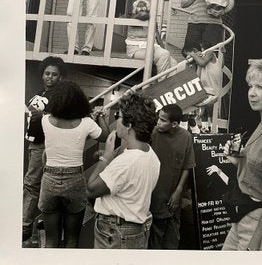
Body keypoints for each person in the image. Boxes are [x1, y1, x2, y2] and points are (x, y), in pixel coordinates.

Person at [38, 81, 110, 248]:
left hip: (49, 178)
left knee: (50, 240)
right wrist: (100, 116)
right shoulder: (86, 123)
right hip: (75, 180)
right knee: (72, 239)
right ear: (79, 101)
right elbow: (105, 136)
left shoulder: (45, 121)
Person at [87, 92, 160, 249]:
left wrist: (105, 157)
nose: (116, 121)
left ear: (128, 125)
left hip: (115, 232)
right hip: (136, 229)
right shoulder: (150, 154)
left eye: (118, 116)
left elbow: (91, 190)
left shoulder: (127, 162)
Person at [222, 58, 262, 251]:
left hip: (258, 219)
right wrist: (237, 161)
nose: (252, 93)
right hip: (242, 213)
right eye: (250, 86)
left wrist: (258, 239)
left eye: (261, 87)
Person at [23, 56, 67, 243]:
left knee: (32, 183)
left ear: (60, 77)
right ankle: (28, 222)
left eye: (54, 75)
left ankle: (24, 225)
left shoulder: (60, 96)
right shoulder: (41, 92)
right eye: (47, 73)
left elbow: (63, 119)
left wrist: (43, 115)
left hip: (44, 145)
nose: (50, 77)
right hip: (32, 142)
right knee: (32, 183)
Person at [148, 104, 195, 249]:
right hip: (154, 196)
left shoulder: (186, 136)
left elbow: (187, 166)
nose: (158, 122)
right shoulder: (153, 133)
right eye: (158, 118)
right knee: (155, 238)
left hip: (174, 198)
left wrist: (178, 191)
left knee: (172, 239)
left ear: (174, 124)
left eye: (163, 120)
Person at [125, 0, 177, 80]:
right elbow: (142, 16)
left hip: (151, 47)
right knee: (163, 55)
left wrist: (163, 48)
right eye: (139, 6)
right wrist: (151, 15)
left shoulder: (151, 19)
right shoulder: (132, 16)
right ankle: (161, 83)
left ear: (147, 7)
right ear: (135, 8)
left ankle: (169, 85)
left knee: (173, 62)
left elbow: (157, 36)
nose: (142, 8)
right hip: (136, 50)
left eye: (144, 6)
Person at [184, 40, 222, 130]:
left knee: (208, 108)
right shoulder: (200, 59)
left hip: (212, 90)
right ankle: (204, 127)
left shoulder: (209, 53)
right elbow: (194, 75)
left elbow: (202, 62)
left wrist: (193, 54)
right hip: (205, 89)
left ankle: (213, 128)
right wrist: (190, 63)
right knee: (195, 107)